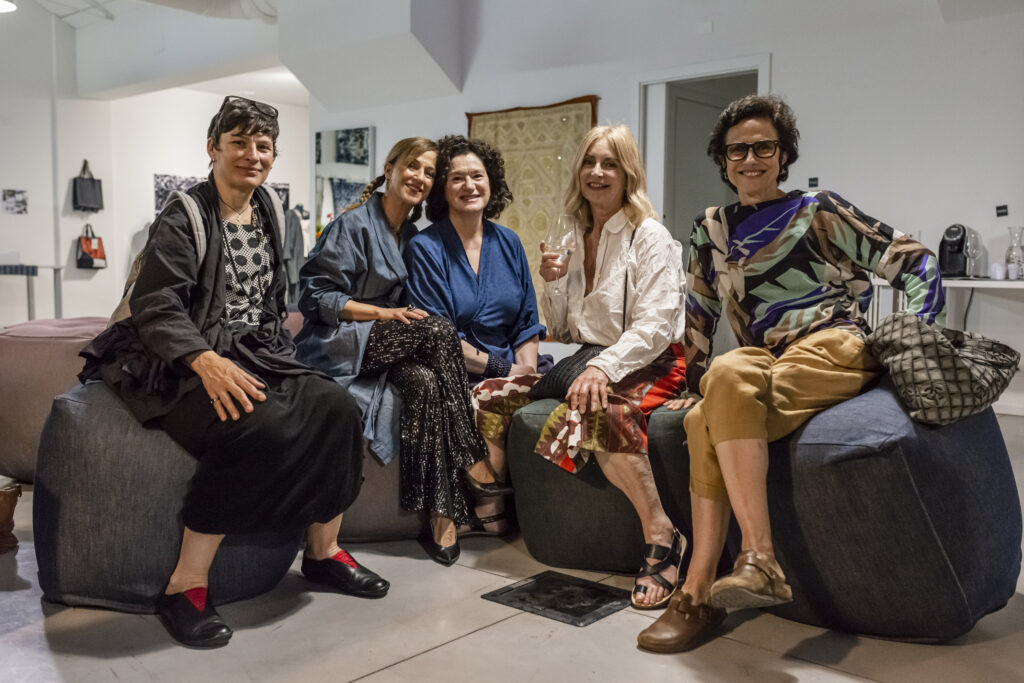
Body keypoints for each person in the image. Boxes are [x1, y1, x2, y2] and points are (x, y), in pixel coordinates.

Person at [637, 94, 946, 653]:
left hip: (833, 342)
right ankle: (757, 563)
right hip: (766, 356)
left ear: (784, 156)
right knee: (720, 382)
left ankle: (701, 589)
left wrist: (917, 333)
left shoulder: (818, 209)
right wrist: (689, 382)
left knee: (706, 423)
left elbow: (915, 261)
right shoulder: (711, 228)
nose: (750, 159)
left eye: (764, 147)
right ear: (723, 160)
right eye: (737, 150)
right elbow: (700, 311)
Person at [79, 96, 387, 649]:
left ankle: (323, 552)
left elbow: (271, 299)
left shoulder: (270, 209)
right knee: (253, 423)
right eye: (239, 142)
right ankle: (186, 586)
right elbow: (158, 304)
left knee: (338, 408)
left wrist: (280, 359)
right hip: (176, 355)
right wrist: (205, 360)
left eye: (263, 146)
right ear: (213, 149)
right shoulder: (186, 214)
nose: (252, 155)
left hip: (252, 350)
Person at [451, 126, 687, 610]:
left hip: (648, 359)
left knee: (599, 410)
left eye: (610, 163)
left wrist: (602, 369)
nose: (597, 173)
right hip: (587, 357)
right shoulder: (575, 236)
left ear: (628, 173)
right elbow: (561, 328)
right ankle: (496, 511)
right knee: (489, 394)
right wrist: (554, 282)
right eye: (589, 163)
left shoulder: (650, 236)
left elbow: (657, 327)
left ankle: (662, 535)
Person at [296, 137, 492, 567]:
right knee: (437, 331)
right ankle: (470, 452)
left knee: (425, 382)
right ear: (390, 168)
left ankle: (440, 514)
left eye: (429, 172)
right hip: (337, 342)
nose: (420, 177)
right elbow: (313, 296)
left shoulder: (411, 237)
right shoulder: (352, 225)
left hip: (383, 344)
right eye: (412, 166)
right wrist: (379, 314)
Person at [404, 135, 549, 545]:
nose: (469, 186)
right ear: (442, 189)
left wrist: (527, 370)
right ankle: (489, 510)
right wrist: (505, 371)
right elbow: (441, 338)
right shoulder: (425, 248)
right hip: (460, 372)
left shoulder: (509, 242)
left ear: (491, 182)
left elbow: (526, 321)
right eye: (457, 178)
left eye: (477, 176)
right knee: (492, 396)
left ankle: (539, 509)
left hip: (515, 364)